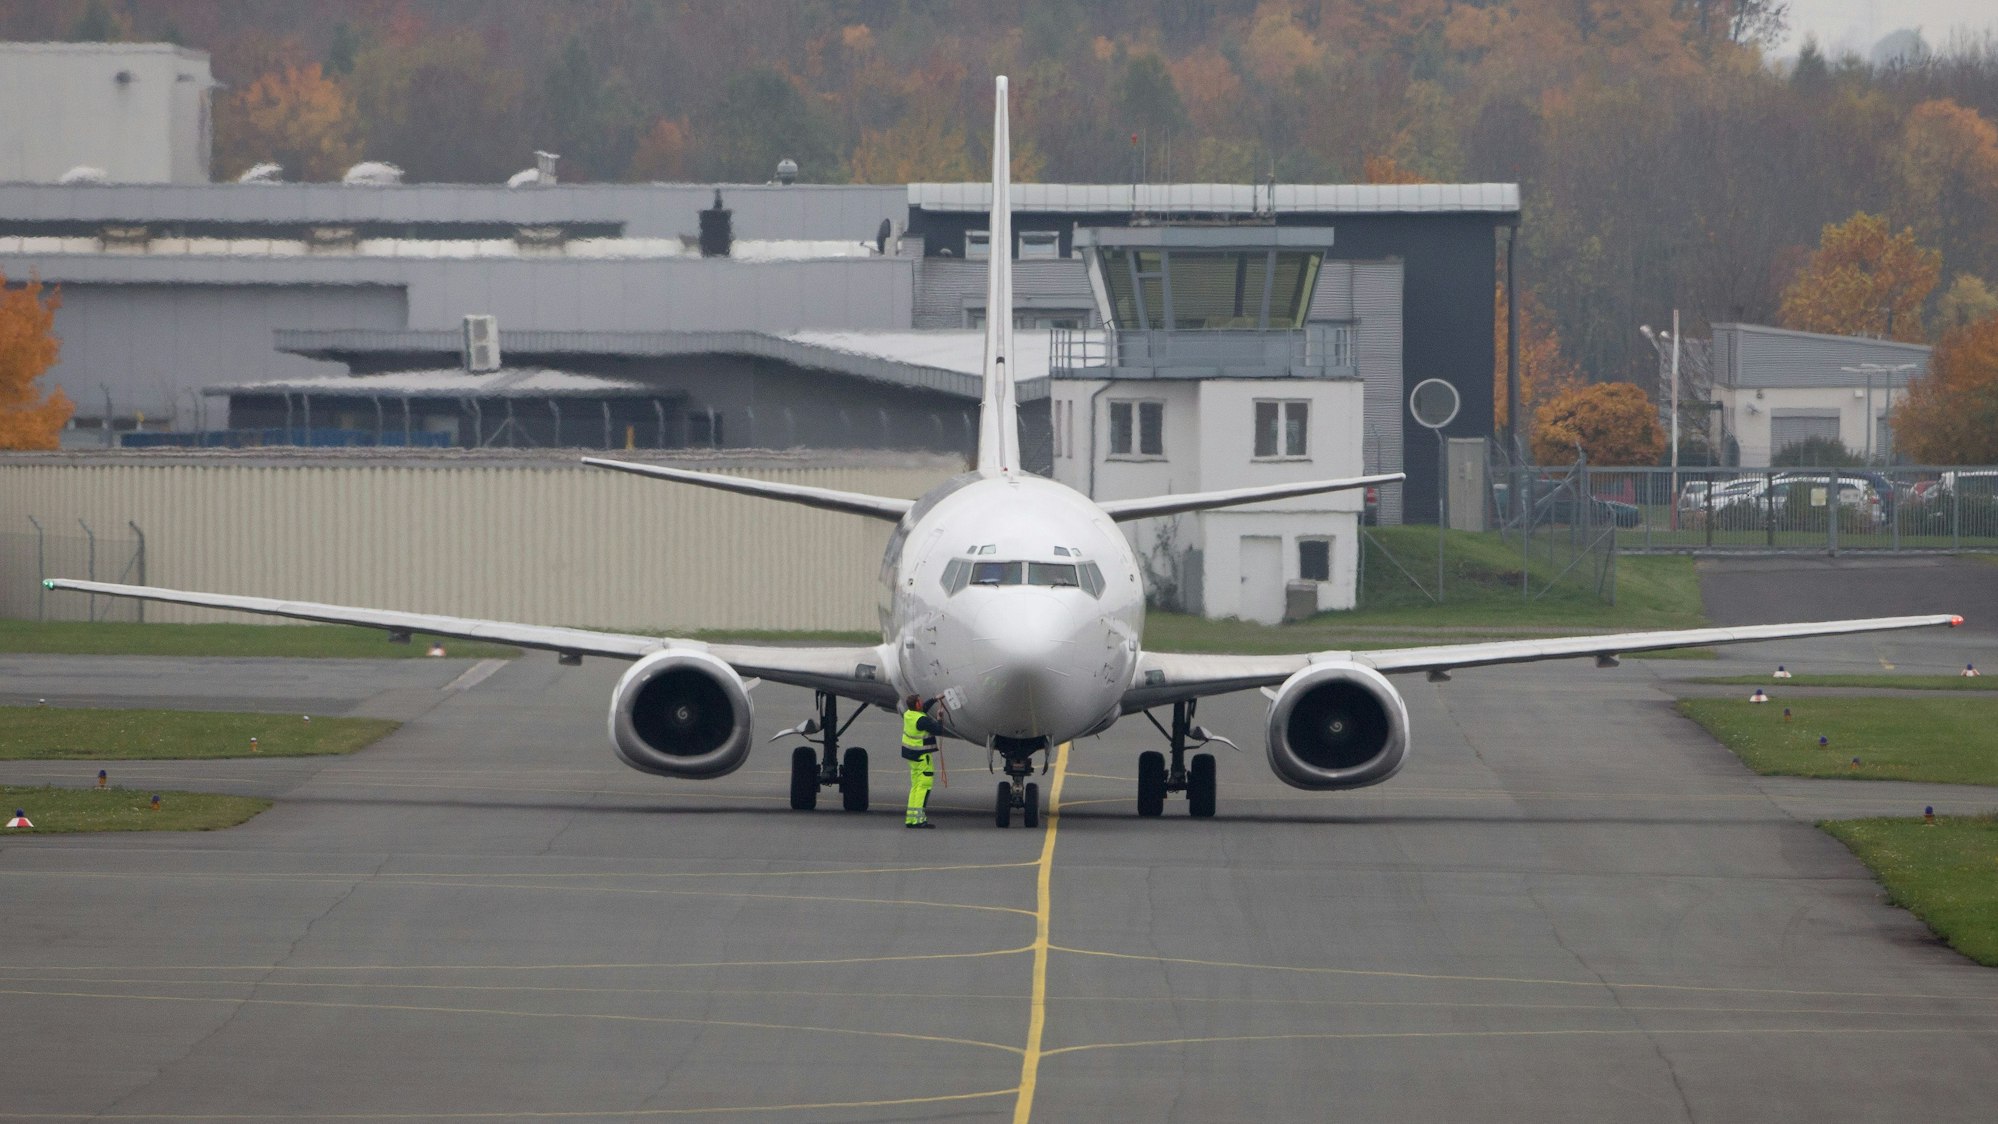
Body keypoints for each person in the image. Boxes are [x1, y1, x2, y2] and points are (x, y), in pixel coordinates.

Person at [901, 694, 944, 829]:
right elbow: (938, 729)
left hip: (912, 756)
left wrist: (934, 699)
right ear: (917, 705)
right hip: (922, 757)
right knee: (923, 787)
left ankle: (911, 819)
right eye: (920, 701)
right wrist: (939, 718)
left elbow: (923, 709)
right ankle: (919, 820)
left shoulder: (909, 714)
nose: (922, 703)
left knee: (915, 787)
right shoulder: (922, 720)